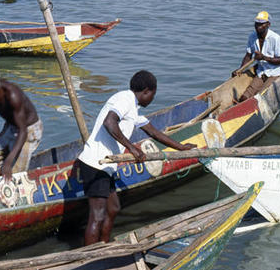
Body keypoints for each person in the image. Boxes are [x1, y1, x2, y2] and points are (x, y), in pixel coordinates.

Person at [76, 70, 197, 246]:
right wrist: (132, 148)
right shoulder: (124, 99)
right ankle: (89, 259)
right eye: (153, 95)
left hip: (107, 167)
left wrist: (181, 147)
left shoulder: (133, 108)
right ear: (147, 91)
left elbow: (153, 132)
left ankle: (104, 246)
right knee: (98, 214)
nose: (152, 99)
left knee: (113, 209)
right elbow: (109, 122)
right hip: (95, 164)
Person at [232, 11, 280, 102]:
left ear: (268, 24)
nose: (258, 26)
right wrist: (240, 70)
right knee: (244, 97)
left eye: (261, 24)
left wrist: (264, 57)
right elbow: (248, 56)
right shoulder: (252, 37)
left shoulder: (275, 38)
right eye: (256, 23)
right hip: (261, 71)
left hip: (274, 72)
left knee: (259, 96)